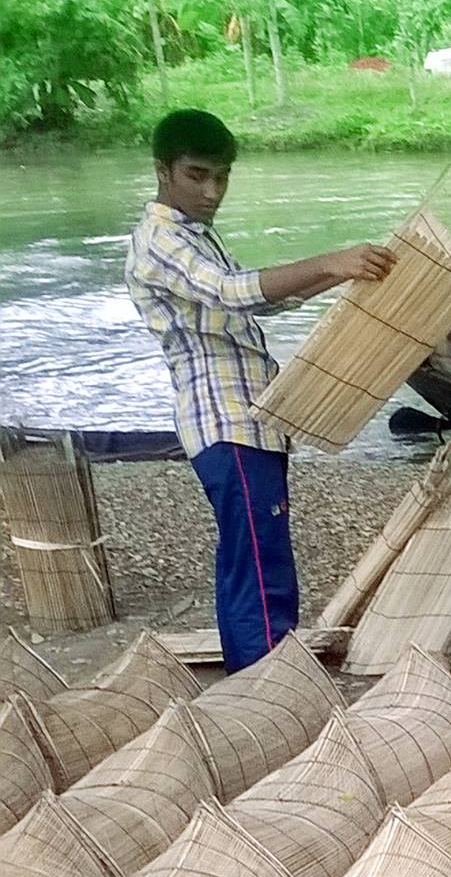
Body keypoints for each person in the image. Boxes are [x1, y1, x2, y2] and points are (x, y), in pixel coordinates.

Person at [127, 109, 395, 672]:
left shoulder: (195, 237)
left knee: (248, 556)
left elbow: (262, 301)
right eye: (198, 175)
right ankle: (268, 685)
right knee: (259, 560)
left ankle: (252, 678)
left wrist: (346, 271)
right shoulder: (159, 240)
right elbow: (233, 292)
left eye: (222, 177)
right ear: (162, 171)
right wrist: (330, 259)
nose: (212, 190)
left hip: (251, 419)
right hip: (225, 422)